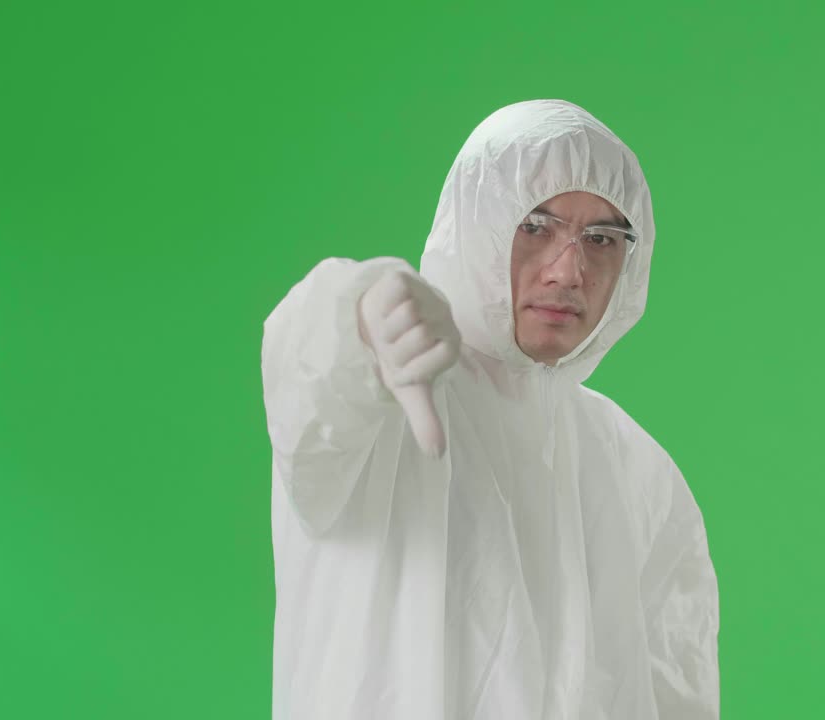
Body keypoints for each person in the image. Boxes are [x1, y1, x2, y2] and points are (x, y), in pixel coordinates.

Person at [261, 99, 719, 719]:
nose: (569, 270)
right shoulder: (385, 408)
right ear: (477, 223)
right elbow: (310, 396)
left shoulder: (636, 468)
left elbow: (674, 689)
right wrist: (357, 328)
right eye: (535, 225)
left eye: (603, 238)